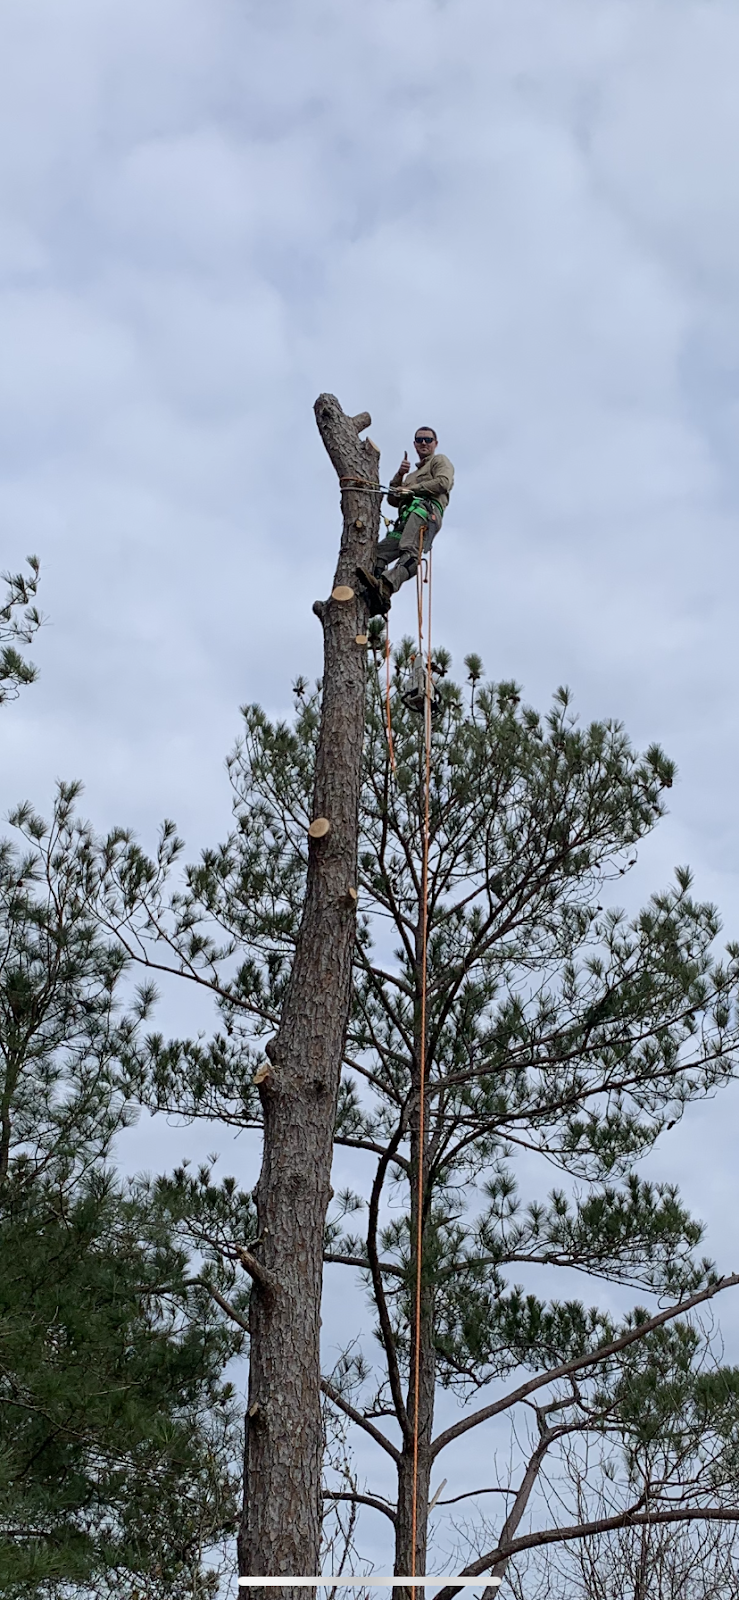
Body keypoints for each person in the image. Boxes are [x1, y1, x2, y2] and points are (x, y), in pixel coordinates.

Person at [357, 427, 454, 615]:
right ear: (414, 444)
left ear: (435, 443)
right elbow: (393, 499)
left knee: (409, 548)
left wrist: (414, 489)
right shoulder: (410, 476)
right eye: (419, 440)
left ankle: (387, 584)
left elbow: (443, 482)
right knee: (378, 553)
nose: (423, 443)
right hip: (406, 517)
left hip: (425, 512)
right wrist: (399, 476)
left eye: (427, 439)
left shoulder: (439, 461)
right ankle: (374, 590)